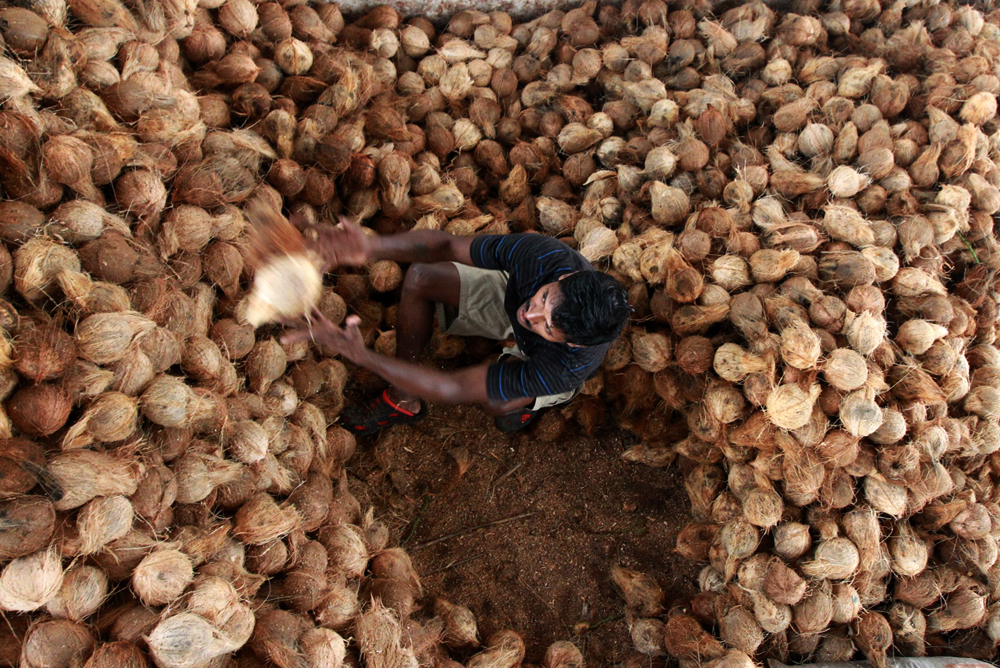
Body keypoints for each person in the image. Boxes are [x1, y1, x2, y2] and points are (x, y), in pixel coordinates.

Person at [281, 219, 630, 434]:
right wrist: (371, 246)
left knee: (497, 403)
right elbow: (448, 244)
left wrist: (361, 355)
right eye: (545, 298)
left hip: (543, 359)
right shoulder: (544, 257)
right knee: (421, 276)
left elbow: (451, 387)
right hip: (514, 296)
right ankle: (403, 399)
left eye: (548, 327)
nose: (532, 316)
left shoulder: (566, 365)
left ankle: (526, 403)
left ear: (572, 343)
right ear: (564, 278)